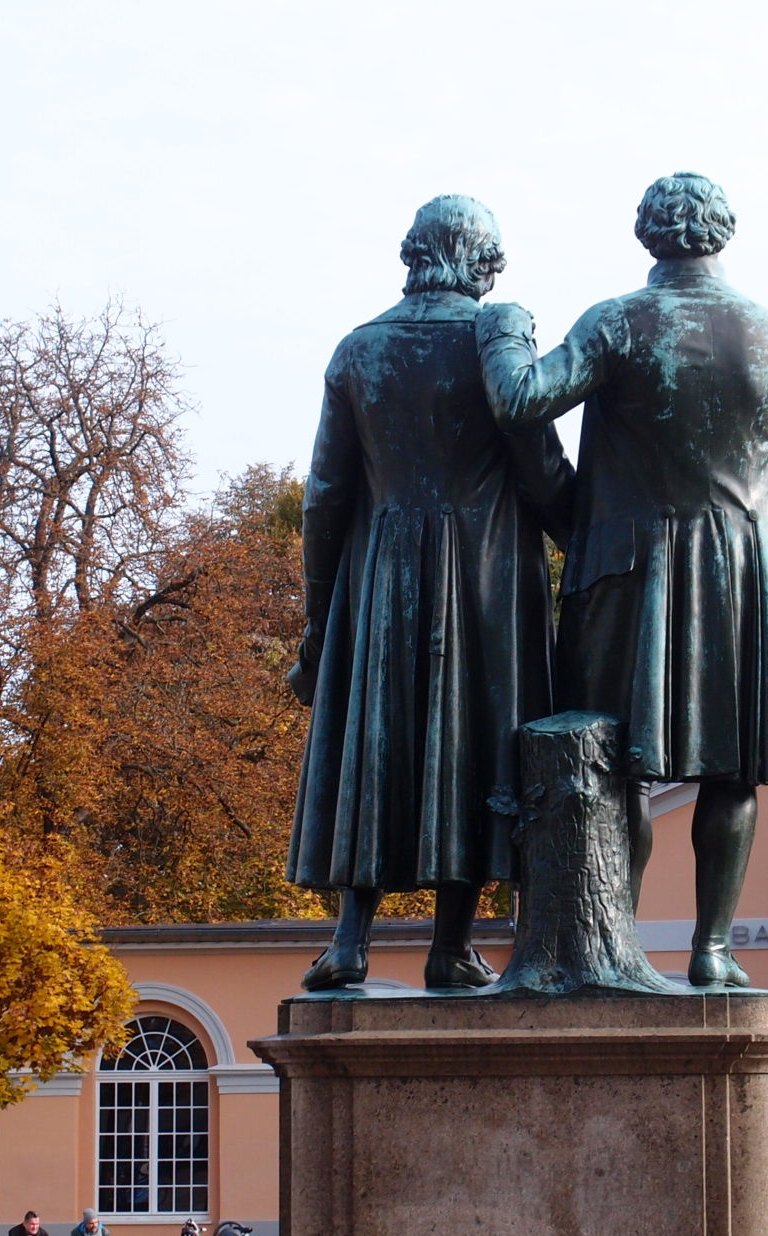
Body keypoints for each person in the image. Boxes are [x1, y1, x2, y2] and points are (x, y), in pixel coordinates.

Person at [478, 172, 768, 987]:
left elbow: (522, 399)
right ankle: (714, 948)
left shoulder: (617, 322)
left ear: (648, 234)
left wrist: (501, 331)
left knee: (616, 765)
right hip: (747, 577)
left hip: (629, 574)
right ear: (722, 232)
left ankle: (615, 941)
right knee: (732, 772)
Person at [286, 193, 570, 991]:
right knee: (478, 744)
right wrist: (597, 542)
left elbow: (324, 496)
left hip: (380, 575)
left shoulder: (358, 349)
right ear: (482, 262)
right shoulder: (494, 344)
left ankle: (350, 940)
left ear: (412, 253)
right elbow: (544, 474)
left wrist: (319, 613)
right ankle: (451, 944)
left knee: (377, 743)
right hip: (488, 580)